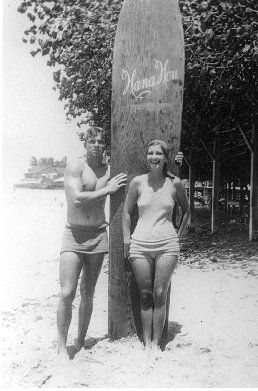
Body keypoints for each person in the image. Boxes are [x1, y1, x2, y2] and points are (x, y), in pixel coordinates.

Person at [57, 127, 127, 361]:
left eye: (100, 141)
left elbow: (145, 167)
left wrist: (176, 163)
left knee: (88, 292)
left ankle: (79, 341)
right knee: (67, 292)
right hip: (74, 234)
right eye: (92, 141)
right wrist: (107, 190)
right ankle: (60, 347)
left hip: (98, 234)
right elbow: (76, 199)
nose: (96, 145)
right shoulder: (76, 167)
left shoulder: (109, 170)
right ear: (85, 144)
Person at [122, 140, 190, 354]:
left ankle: (156, 345)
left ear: (165, 158)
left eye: (158, 153)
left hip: (167, 245)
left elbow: (187, 210)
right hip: (140, 244)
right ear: (146, 157)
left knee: (160, 292)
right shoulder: (138, 182)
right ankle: (146, 342)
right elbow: (126, 212)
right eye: (150, 153)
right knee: (144, 294)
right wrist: (126, 239)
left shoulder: (175, 183)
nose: (154, 156)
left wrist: (178, 236)